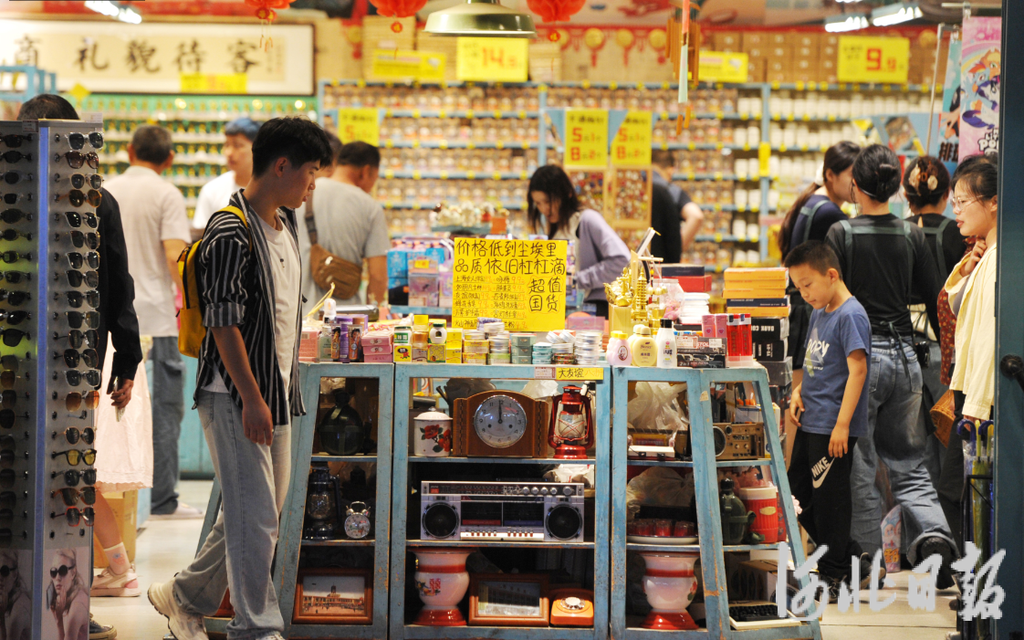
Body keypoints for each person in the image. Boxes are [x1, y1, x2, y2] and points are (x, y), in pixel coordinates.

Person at [148, 117, 332, 640]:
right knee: (257, 518)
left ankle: (185, 596)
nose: (313, 185)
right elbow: (223, 322)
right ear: (282, 167)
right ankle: (256, 627)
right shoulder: (230, 230)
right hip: (234, 396)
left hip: (277, 393)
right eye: (311, 173)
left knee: (256, 511)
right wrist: (251, 398)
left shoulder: (286, 223)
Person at [17, 94, 142, 640]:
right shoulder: (98, 199)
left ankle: (58, 608)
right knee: (68, 481)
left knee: (54, 481)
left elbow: (118, 283)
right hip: (75, 366)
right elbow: (120, 284)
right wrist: (125, 360)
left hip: (36, 366)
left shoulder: (18, 191)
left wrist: (127, 360)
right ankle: (68, 612)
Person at [825, 144, 956, 588]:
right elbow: (936, 300)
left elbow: (830, 306)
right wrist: (951, 363)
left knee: (861, 467)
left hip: (860, 361)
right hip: (905, 357)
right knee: (911, 463)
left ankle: (868, 561)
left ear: (855, 185)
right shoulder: (911, 235)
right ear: (897, 188)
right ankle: (935, 537)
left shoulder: (841, 234)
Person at [104, 125, 200, 521]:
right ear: (170, 159)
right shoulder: (166, 194)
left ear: (129, 150)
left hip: (112, 322)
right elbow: (175, 253)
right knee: (163, 411)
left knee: (115, 415)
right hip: (156, 321)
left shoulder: (105, 189)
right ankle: (161, 500)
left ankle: (119, 499)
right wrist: (193, 307)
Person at [784, 240, 874, 598]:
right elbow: (816, 363)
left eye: (808, 285)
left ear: (831, 275)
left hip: (833, 426)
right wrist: (798, 390)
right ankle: (852, 558)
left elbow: (858, 371)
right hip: (812, 420)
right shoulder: (820, 311)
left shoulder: (850, 315)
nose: (804, 294)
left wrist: (842, 425)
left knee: (830, 505)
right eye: (798, 288)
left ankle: (834, 575)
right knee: (795, 494)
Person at [940, 152, 999, 555]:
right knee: (961, 493)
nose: (955, 211)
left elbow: (988, 340)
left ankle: (978, 583)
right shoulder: (983, 255)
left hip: (981, 399)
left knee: (970, 496)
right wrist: (965, 268)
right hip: (971, 393)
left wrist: (976, 406)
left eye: (963, 201)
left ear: (993, 202)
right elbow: (955, 306)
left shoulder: (1000, 259)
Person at [777, 141, 860, 394]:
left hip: (798, 309)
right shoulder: (829, 213)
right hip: (808, 312)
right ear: (830, 175)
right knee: (802, 396)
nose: (856, 182)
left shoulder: (813, 202)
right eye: (852, 175)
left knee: (797, 393)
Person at [296, 138, 390, 315]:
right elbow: (378, 276)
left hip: (299, 313)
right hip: (345, 317)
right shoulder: (370, 207)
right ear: (366, 171)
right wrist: (373, 316)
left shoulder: (302, 194)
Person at [528, 165, 630, 317]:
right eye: (538, 203)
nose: (544, 209)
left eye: (548, 201)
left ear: (567, 193)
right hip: (568, 311)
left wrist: (577, 280)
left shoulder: (587, 220)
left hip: (594, 311)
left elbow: (622, 260)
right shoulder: (556, 229)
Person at [191, 117, 261, 232]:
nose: (229, 153)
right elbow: (201, 235)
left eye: (237, 145)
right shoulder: (212, 190)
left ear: (257, 148)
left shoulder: (271, 189)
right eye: (226, 145)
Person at [650, 150, 705, 257]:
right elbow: (696, 215)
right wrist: (676, 247)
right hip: (661, 260)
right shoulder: (671, 190)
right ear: (671, 170)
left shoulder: (636, 184)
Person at [48, 549, 89, 640]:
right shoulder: (78, 595)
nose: (57, 578)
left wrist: (59, 621)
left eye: (63, 571)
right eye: (53, 572)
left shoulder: (76, 608)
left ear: (73, 573)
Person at [0, 550, 30, 640]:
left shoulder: (19, 610)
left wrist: (1, 620)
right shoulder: (10, 598)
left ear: (15, 574)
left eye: (4, 571)